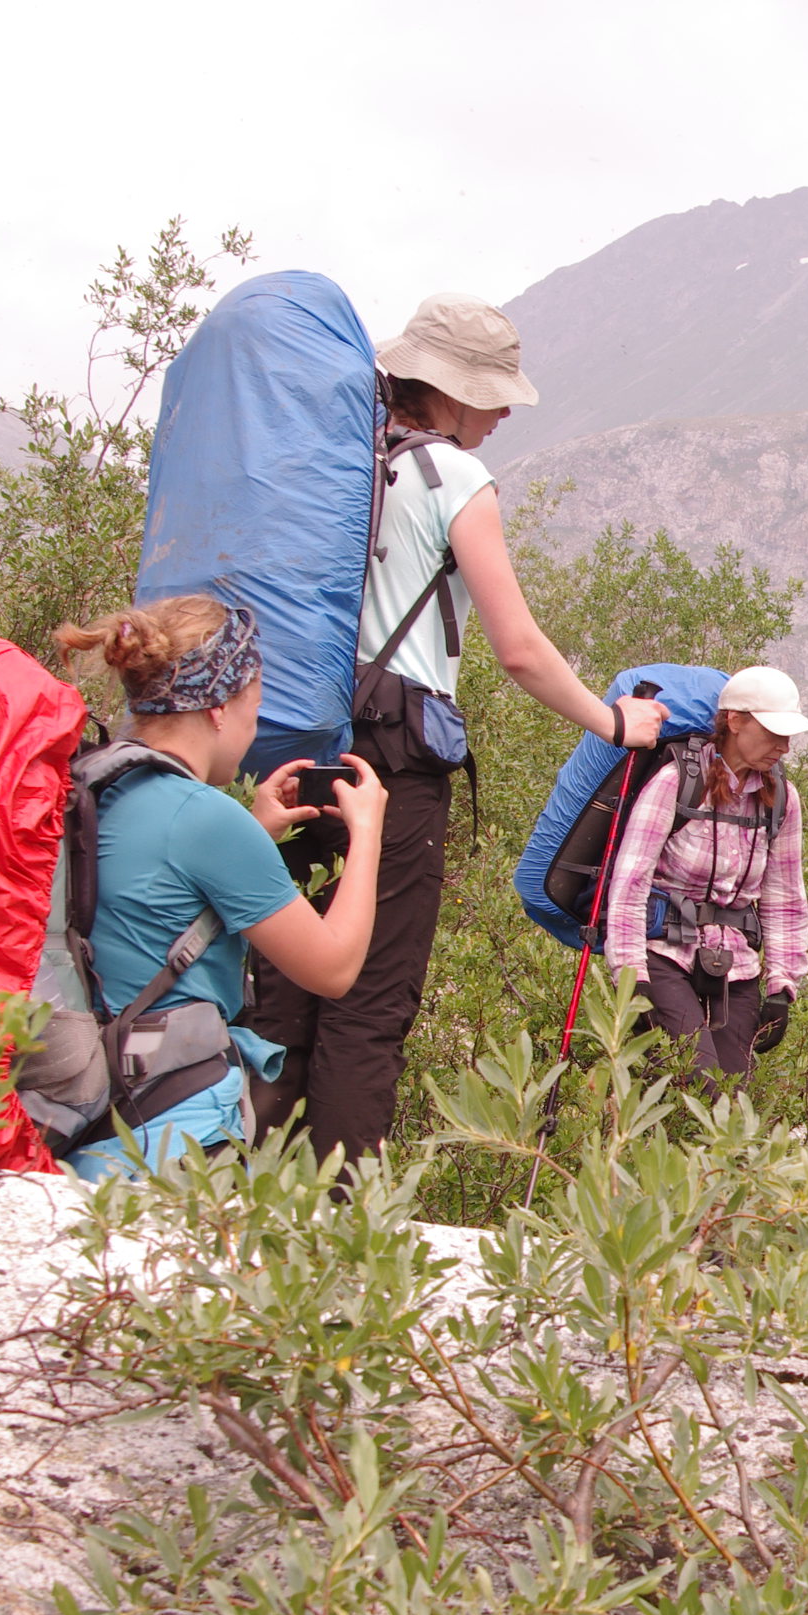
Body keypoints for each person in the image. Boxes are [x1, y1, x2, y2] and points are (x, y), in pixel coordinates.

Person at [245, 293, 665, 1165]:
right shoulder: (455, 480)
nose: (506, 408)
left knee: (284, 982)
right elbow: (517, 648)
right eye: (493, 391)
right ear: (446, 388)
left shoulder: (338, 460)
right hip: (395, 758)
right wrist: (610, 718)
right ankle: (340, 1240)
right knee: (368, 996)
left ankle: (250, 1202)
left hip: (298, 748)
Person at [55, 598, 387, 1178]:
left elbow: (149, 902)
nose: (254, 727)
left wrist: (255, 832)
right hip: (171, 1134)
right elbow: (333, 969)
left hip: (87, 1120)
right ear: (218, 709)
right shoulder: (206, 818)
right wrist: (368, 834)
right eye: (253, 707)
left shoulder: (96, 784)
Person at [598, 665, 808, 1083]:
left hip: (735, 963)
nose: (784, 747)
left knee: (733, 1098)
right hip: (661, 955)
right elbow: (630, 882)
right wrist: (631, 976)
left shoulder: (782, 799)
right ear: (735, 720)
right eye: (774, 733)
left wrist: (782, 985)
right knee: (700, 1084)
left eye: (789, 735)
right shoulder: (675, 781)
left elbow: (786, 897)